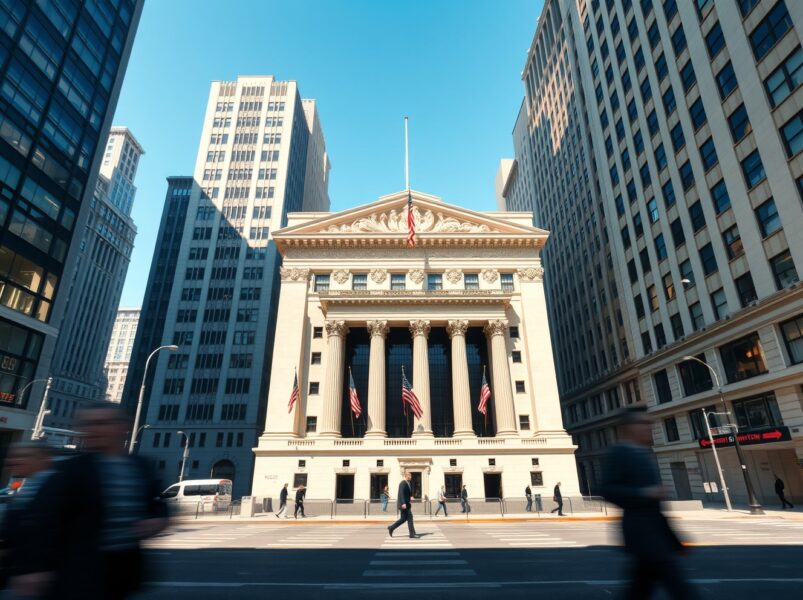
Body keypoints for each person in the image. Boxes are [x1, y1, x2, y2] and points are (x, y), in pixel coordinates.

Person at [7, 402, 168, 600]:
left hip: (123, 571)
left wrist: (158, 518)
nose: (92, 430)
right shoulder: (69, 470)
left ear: (122, 427)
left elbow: (157, 503)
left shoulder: (141, 466)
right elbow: (41, 520)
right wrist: (34, 568)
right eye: (86, 424)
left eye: (101, 423)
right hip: (77, 573)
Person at [601, 408, 698, 600]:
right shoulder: (620, 452)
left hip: (652, 537)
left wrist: (674, 541)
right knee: (679, 589)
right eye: (644, 424)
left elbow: (655, 509)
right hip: (642, 535)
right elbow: (607, 490)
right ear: (630, 428)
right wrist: (644, 492)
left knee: (639, 589)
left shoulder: (643, 453)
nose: (650, 428)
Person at [0, 441, 55, 593]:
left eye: (23, 456)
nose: (13, 460)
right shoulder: (25, 485)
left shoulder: (56, 488)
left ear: (44, 459)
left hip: (34, 581)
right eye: (12, 456)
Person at [388, 471, 417, 538]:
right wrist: (403, 503)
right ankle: (412, 534)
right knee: (410, 518)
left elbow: (408, 493)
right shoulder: (403, 483)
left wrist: (411, 496)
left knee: (403, 519)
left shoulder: (409, 483)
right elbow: (401, 494)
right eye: (409, 475)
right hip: (403, 505)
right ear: (406, 476)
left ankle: (391, 527)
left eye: (411, 475)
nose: (411, 477)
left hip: (407, 504)